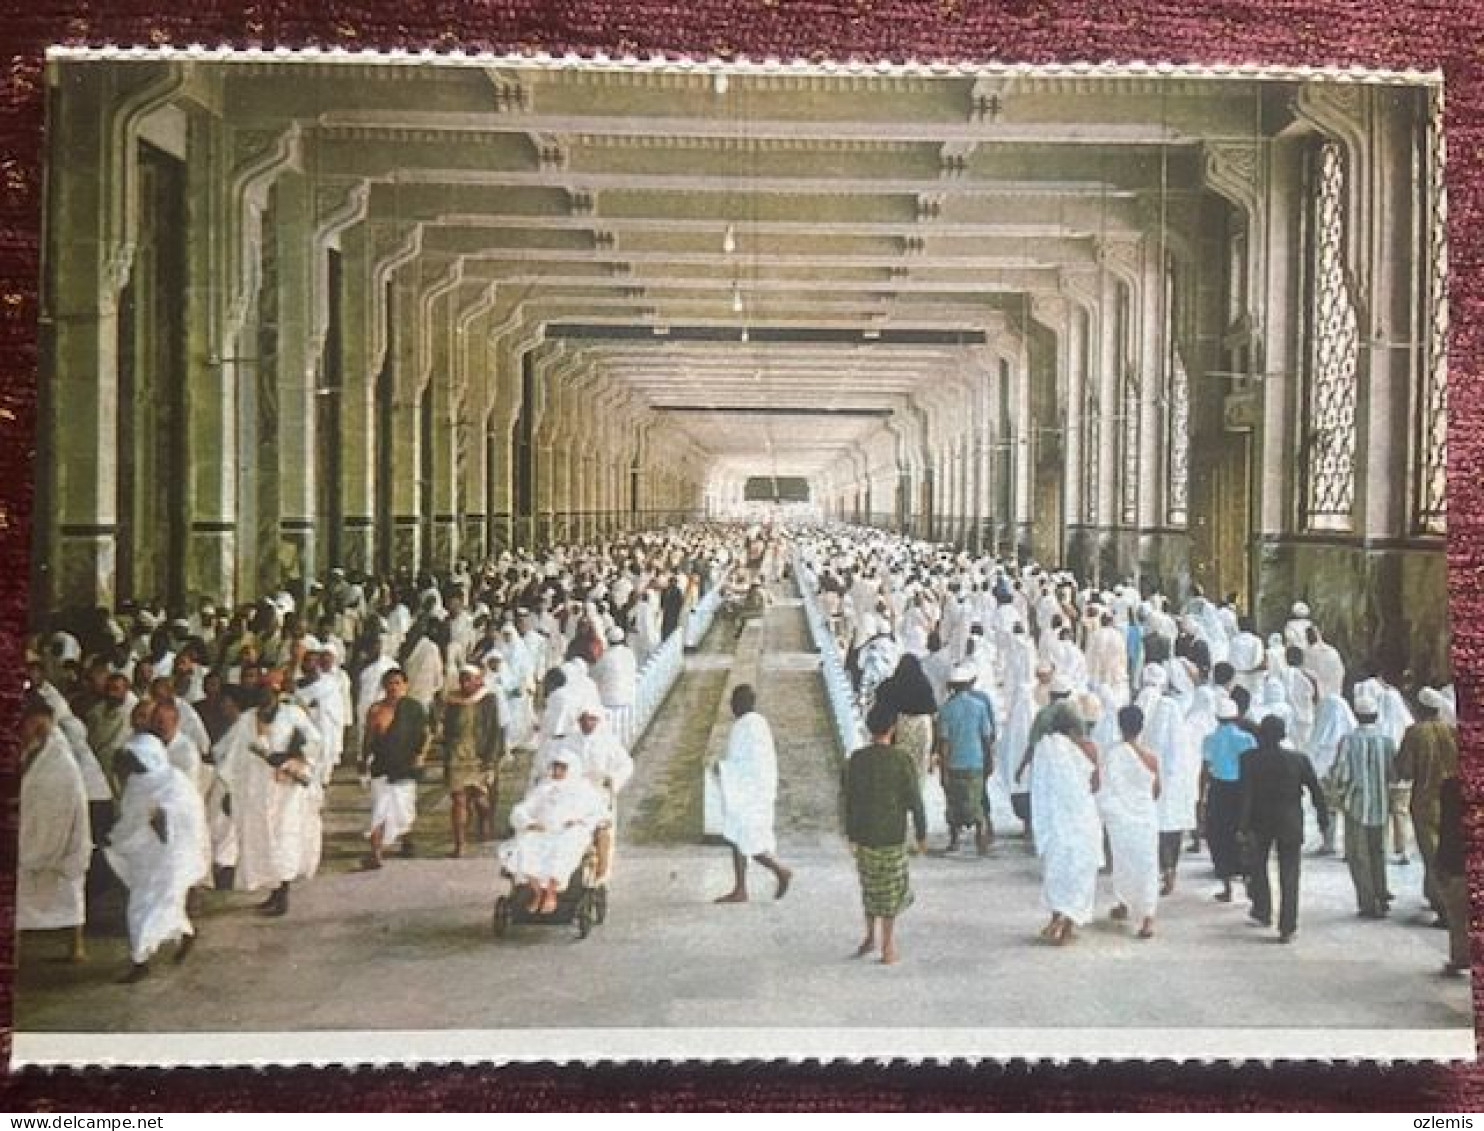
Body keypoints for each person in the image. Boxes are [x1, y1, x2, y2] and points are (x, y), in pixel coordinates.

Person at [214, 667, 325, 916]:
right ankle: (274, 890)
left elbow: (314, 742)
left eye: (269, 690)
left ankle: (283, 893)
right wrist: (230, 791)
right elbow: (231, 755)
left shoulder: (293, 715)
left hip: (285, 790)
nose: (264, 695)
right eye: (260, 690)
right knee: (262, 841)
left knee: (284, 838)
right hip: (254, 792)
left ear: (277, 692)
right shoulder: (246, 720)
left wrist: (291, 758)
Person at [105, 732, 209, 983]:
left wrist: (163, 817)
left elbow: (189, 818)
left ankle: (140, 961)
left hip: (170, 857)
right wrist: (117, 838)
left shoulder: (174, 781)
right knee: (157, 906)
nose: (133, 765)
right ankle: (186, 934)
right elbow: (131, 819)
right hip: (145, 858)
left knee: (144, 908)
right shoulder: (135, 783)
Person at [844, 702, 927, 965]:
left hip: (865, 834)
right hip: (892, 833)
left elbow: (849, 800)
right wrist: (922, 832)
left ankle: (870, 936)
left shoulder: (856, 760)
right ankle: (888, 944)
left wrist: (851, 833)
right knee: (891, 891)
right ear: (892, 728)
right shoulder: (902, 760)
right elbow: (915, 800)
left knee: (869, 888)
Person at [1240, 716, 1330, 942]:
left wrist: (1241, 825)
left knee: (1258, 868)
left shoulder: (1249, 760)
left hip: (1259, 822)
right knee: (1290, 874)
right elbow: (1316, 791)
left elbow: (1246, 795)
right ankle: (1287, 926)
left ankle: (1263, 909)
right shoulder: (1298, 760)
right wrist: (1323, 818)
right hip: (1289, 821)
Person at [17, 695, 91, 963]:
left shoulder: (61, 758)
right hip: (33, 830)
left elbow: (63, 795)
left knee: (69, 894)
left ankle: (76, 944)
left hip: (60, 836)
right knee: (20, 900)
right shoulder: (31, 746)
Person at [1029, 693, 1104, 945]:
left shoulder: (1045, 747)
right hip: (1082, 819)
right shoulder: (1089, 748)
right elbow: (1095, 785)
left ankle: (1055, 918)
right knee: (1079, 872)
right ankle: (1067, 925)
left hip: (1055, 820)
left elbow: (1039, 785)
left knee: (1057, 870)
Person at [709, 684, 793, 902]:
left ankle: (780, 870)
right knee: (738, 837)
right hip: (759, 789)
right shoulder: (760, 723)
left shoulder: (743, 727)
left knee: (748, 840)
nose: (731, 707)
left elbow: (741, 764)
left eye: (733, 702)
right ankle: (740, 888)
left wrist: (722, 768)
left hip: (750, 792)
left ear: (739, 704)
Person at [499, 750, 608, 914]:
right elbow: (522, 809)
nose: (557, 772)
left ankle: (551, 892)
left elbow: (600, 813)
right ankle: (537, 892)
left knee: (564, 846)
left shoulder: (584, 790)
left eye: (562, 768)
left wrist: (581, 821)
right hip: (543, 830)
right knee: (524, 844)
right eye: (555, 767)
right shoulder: (543, 787)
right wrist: (529, 823)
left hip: (569, 831)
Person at [1326, 694, 1396, 919]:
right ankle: (1383, 895)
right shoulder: (1387, 741)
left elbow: (1341, 773)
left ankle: (1368, 903)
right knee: (1379, 851)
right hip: (1382, 804)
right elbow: (1394, 774)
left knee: (1359, 855)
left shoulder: (1349, 741)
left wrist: (1336, 791)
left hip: (1356, 805)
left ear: (1357, 716)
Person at [1396, 688, 1459, 927]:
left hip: (1424, 801)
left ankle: (1444, 908)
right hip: (1452, 800)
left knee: (1433, 856)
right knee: (1451, 852)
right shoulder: (1452, 732)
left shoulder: (1415, 733)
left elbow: (1405, 770)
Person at [1099, 704, 1160, 939]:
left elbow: (1104, 787)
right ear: (1141, 727)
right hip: (1145, 817)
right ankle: (1147, 919)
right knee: (1147, 866)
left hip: (1121, 820)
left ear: (1120, 726)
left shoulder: (1112, 755)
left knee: (1123, 862)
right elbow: (1156, 790)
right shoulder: (1151, 758)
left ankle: (1124, 904)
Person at [359, 668, 429, 869]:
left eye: (398, 683)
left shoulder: (414, 708)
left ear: (405, 686)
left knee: (403, 808)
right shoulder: (376, 710)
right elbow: (369, 737)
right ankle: (376, 853)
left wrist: (420, 755)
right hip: (382, 766)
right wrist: (363, 759)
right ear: (384, 686)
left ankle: (407, 839)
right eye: (390, 683)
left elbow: (426, 734)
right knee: (379, 809)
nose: (394, 687)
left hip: (405, 766)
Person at [439, 663, 505, 858]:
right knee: (459, 800)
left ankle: (485, 819)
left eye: (469, 679)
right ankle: (460, 843)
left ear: (478, 681)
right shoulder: (453, 701)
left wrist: (492, 758)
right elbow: (448, 729)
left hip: (479, 756)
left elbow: (494, 730)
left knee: (479, 799)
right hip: (457, 756)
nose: (465, 684)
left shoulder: (488, 700)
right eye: (462, 680)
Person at [934, 663, 996, 854]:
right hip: (975, 761)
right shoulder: (980, 707)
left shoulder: (945, 710)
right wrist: (989, 759)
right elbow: (986, 737)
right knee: (976, 800)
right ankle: (981, 838)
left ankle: (954, 839)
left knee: (953, 802)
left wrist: (943, 769)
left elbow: (944, 742)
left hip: (954, 763)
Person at [1202, 698, 1256, 903]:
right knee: (1243, 834)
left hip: (1218, 789)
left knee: (1219, 836)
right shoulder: (1247, 739)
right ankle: (1248, 881)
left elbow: (1205, 770)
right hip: (1241, 790)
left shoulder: (1209, 739)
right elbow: (1252, 767)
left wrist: (1201, 797)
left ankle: (1227, 887)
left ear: (1216, 717)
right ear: (1236, 717)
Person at [1435, 775, 1469, 977]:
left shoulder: (1452, 786)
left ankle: (1461, 956)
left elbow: (1447, 827)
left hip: (1458, 860)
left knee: (1458, 912)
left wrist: (1442, 860)